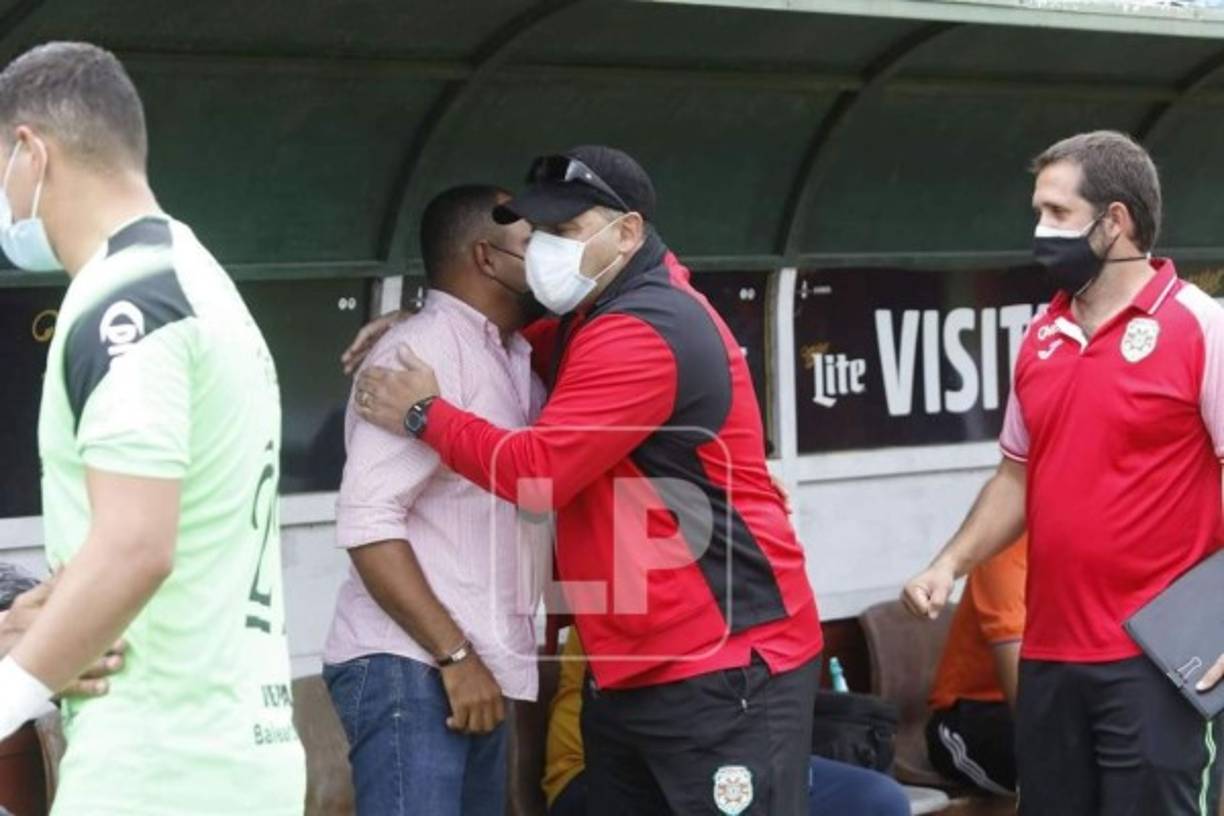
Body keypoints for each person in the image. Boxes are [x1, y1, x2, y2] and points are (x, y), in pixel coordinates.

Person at [355, 145, 823, 815]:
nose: (546, 249)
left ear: (626, 233)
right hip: (633, 669)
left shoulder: (644, 329)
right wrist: (433, 319)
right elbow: (497, 331)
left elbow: (536, 472)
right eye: (539, 232)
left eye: (565, 230)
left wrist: (423, 412)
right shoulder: (590, 318)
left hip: (721, 669)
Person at [0, 42, 305, 814]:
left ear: (31, 151)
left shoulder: (126, 303)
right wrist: (45, 634)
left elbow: (134, 547)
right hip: (238, 756)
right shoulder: (199, 282)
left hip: (159, 766)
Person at [902, 130, 1224, 816]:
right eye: (1038, 212)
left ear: (1115, 221)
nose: (1040, 231)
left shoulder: (1202, 327)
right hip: (1049, 658)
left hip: (1161, 661)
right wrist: (948, 565)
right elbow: (1015, 479)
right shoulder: (1039, 338)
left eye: (1057, 212)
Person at [323, 184, 547, 816]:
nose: (550, 256)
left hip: (471, 668)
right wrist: (455, 657)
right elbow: (368, 523)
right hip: (415, 666)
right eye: (533, 242)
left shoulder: (510, 353)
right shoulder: (421, 353)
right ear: (486, 257)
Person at [543, 629, 911, 816]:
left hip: (724, 751)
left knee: (877, 800)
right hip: (597, 774)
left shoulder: (748, 584)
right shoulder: (639, 587)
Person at [925, 536, 1025, 795]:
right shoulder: (1005, 550)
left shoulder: (1098, 549)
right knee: (1062, 760)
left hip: (1056, 702)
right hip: (970, 715)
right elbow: (1026, 700)